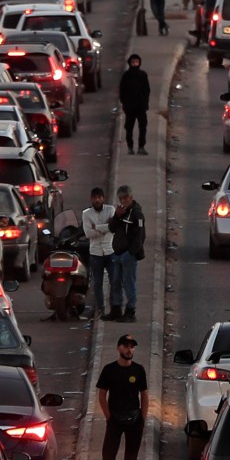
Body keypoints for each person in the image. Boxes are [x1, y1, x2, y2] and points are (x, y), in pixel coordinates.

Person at [95, 336, 149, 460]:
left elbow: (144, 394)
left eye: (132, 347)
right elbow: (102, 395)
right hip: (115, 420)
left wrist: (143, 418)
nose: (129, 350)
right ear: (118, 348)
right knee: (109, 458)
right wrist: (109, 417)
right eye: (126, 346)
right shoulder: (109, 370)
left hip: (134, 420)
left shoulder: (139, 370)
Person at [80, 188, 118, 320]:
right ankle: (100, 308)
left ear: (103, 198)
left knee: (115, 280)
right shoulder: (86, 214)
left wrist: (96, 227)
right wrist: (104, 228)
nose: (97, 200)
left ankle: (114, 307)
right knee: (97, 283)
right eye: (95, 197)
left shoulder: (110, 210)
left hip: (110, 250)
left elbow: (113, 228)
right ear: (91, 199)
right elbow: (88, 233)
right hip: (95, 252)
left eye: (99, 197)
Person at [108, 187, 145, 321]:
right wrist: (117, 216)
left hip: (128, 255)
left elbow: (140, 237)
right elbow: (111, 228)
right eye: (121, 198)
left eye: (126, 198)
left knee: (129, 283)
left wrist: (131, 253)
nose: (123, 201)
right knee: (115, 282)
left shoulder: (136, 214)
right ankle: (116, 309)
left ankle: (130, 311)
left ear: (131, 198)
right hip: (117, 253)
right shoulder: (121, 213)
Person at [117, 54, 152, 156]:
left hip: (141, 107)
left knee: (143, 127)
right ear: (130, 63)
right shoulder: (126, 76)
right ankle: (130, 147)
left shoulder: (143, 75)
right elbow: (122, 91)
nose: (135, 64)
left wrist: (145, 103)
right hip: (130, 108)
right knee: (129, 128)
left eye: (136, 62)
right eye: (133, 62)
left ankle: (141, 147)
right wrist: (125, 104)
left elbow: (147, 90)